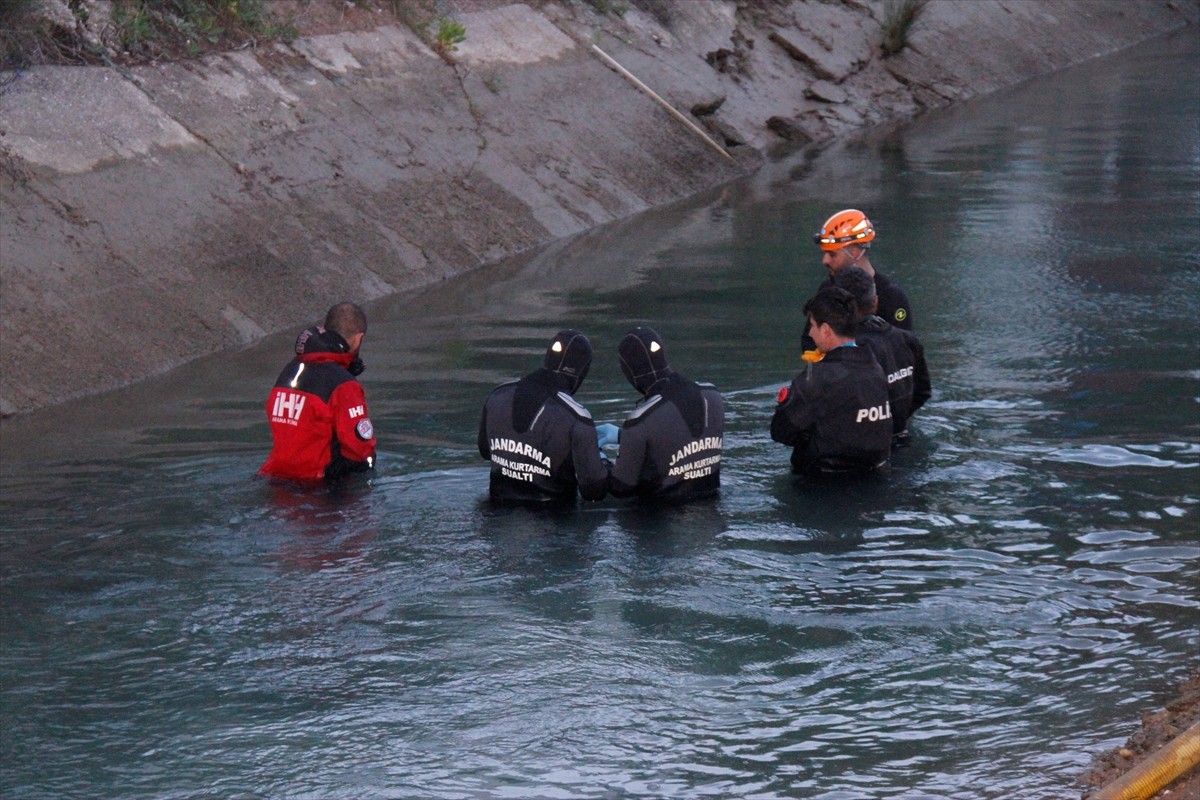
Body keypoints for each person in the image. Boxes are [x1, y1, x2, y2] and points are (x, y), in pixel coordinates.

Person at [771, 287, 892, 477]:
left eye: (812, 325)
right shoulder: (876, 369)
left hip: (822, 484)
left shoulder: (819, 378)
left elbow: (780, 431)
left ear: (826, 330)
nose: (810, 333)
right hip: (874, 476)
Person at [478, 329, 610, 503]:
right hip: (554, 520)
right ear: (582, 372)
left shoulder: (497, 395)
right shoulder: (577, 417)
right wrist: (600, 459)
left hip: (494, 512)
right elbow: (594, 491)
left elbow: (486, 451)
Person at [605, 327, 725, 503]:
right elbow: (683, 439)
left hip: (659, 518)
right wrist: (624, 437)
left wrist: (601, 462)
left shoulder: (640, 420)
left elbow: (620, 487)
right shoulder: (712, 394)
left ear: (629, 371)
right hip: (713, 506)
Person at [260, 302, 377, 482]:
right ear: (357, 339)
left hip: (276, 478)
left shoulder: (290, 371)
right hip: (318, 489)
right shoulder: (344, 386)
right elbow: (360, 449)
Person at [833, 266, 931, 445]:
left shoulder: (845, 350)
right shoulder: (908, 340)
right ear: (875, 302)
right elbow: (923, 391)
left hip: (859, 447)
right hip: (902, 437)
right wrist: (897, 420)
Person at [810, 208, 914, 331]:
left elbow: (904, 345)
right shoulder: (826, 290)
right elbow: (809, 340)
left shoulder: (892, 298)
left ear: (854, 252)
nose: (825, 261)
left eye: (832, 254)